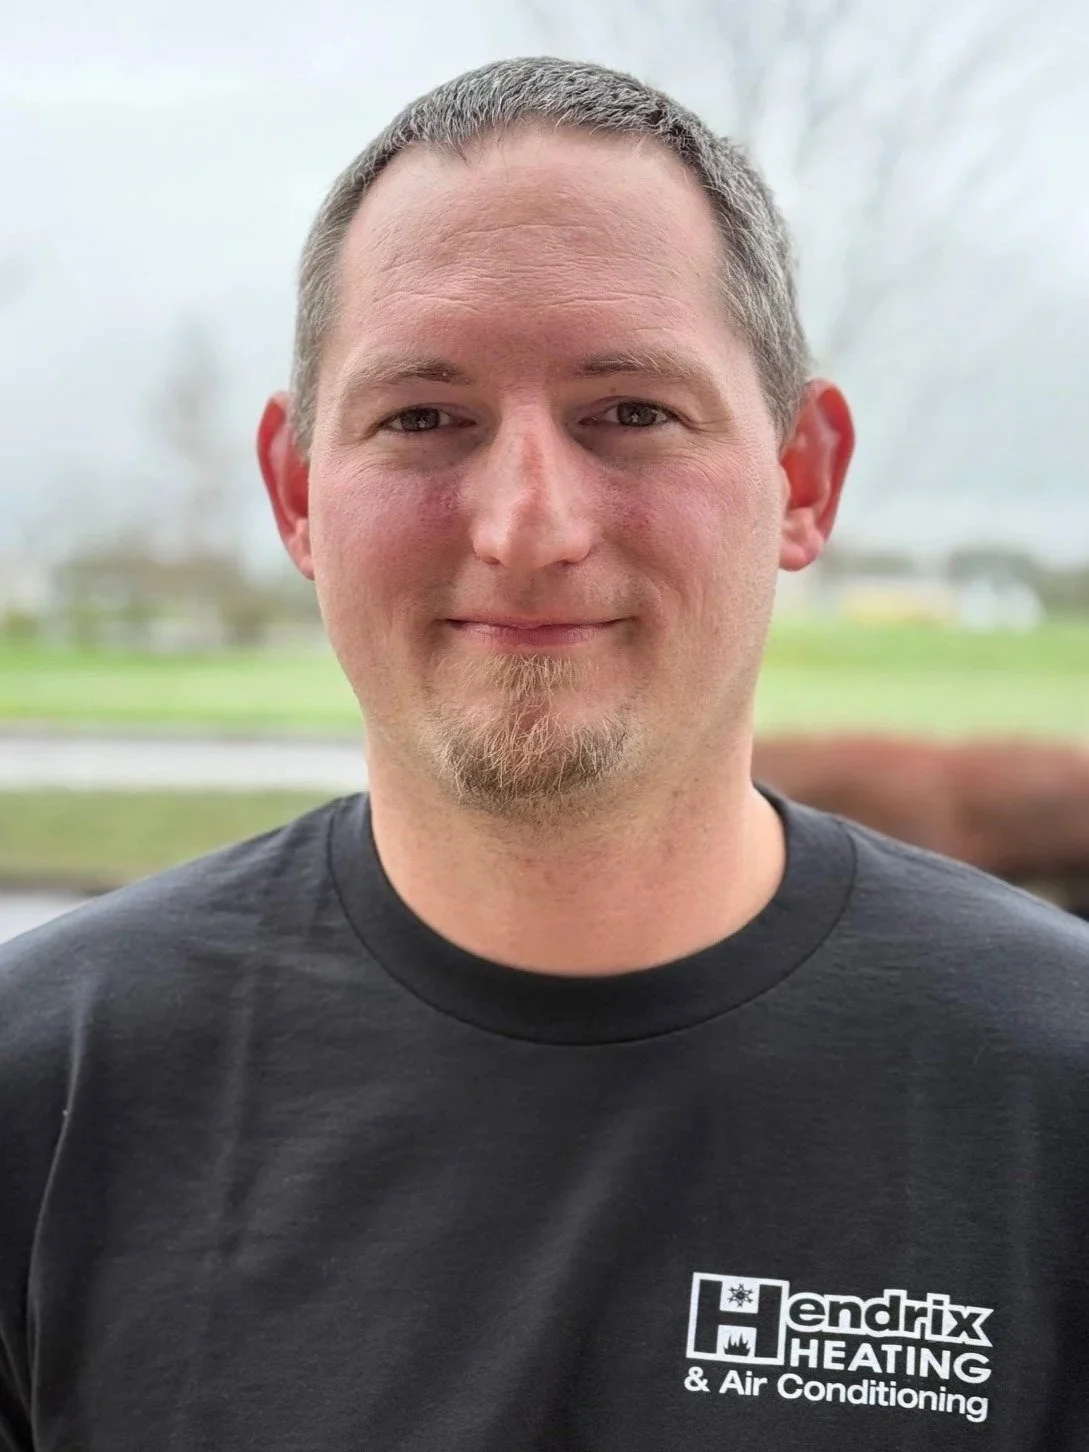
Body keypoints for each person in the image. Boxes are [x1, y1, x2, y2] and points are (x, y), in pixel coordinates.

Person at [1, 56, 1087, 1452]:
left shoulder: (1054, 1091)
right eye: (423, 418)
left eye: (630, 412)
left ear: (802, 477)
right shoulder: (46, 1090)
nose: (528, 526)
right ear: (297, 491)